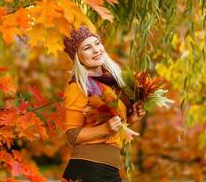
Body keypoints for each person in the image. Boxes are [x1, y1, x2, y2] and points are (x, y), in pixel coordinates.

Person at [61, 25, 145, 182]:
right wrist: (106, 128)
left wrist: (131, 118)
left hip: (105, 169)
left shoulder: (110, 83)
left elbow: (111, 128)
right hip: (90, 170)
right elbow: (72, 135)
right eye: (87, 47)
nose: (96, 50)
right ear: (78, 57)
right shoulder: (79, 86)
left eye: (97, 43)